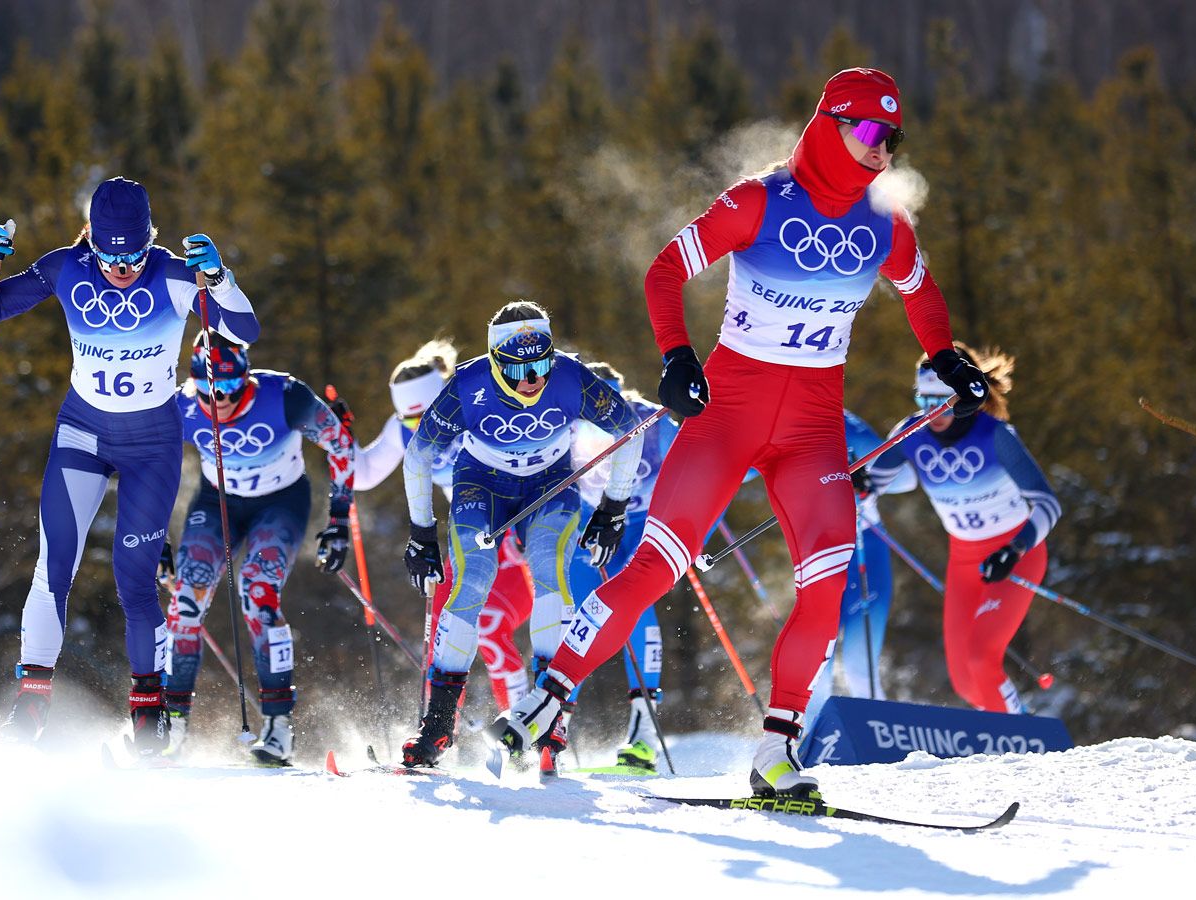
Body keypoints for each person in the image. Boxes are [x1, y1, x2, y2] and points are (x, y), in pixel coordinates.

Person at [493, 68, 990, 799]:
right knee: (655, 567)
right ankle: (555, 689)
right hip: (727, 416)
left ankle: (775, 752)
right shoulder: (761, 200)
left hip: (813, 432)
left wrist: (948, 359)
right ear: (830, 126)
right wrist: (675, 357)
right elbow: (665, 270)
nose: (882, 150)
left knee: (827, 584)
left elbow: (923, 294)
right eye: (868, 132)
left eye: (893, 138)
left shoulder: (885, 221)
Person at [0, 177, 258, 758]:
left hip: (151, 444)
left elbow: (245, 332)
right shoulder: (65, 267)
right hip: (82, 433)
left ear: (149, 241)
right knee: (55, 565)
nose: (121, 270)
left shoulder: (175, 277)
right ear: (90, 242)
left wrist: (220, 280)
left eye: (131, 257)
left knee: (134, 580)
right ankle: (32, 701)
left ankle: (148, 710)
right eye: (108, 256)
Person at [401, 301, 644, 767]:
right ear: (495, 362)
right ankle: (438, 726)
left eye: (541, 363)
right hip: (481, 484)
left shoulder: (570, 377)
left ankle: (551, 716)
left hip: (551, 483)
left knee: (550, 570)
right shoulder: (468, 385)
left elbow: (628, 431)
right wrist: (421, 533)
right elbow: (418, 456)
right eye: (519, 367)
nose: (533, 378)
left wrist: (614, 507)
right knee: (471, 580)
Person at [158, 331, 355, 764]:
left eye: (229, 388)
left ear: (245, 379)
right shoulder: (180, 406)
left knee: (258, 595)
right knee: (185, 601)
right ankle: (169, 725)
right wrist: (153, 537)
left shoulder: (283, 395)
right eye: (207, 388)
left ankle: (278, 726)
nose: (219, 400)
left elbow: (341, 446)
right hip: (216, 503)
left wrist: (338, 519)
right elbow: (149, 469)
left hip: (280, 502)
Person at [866, 343, 1060, 713]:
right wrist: (857, 486)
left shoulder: (995, 435)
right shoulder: (911, 432)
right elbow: (872, 482)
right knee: (965, 682)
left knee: (981, 659)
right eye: (925, 401)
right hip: (964, 562)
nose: (933, 413)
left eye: (943, 401)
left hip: (1015, 555)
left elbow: (1049, 504)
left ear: (962, 396)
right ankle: (1005, 738)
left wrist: (1015, 549)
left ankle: (1020, 750)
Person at [353, 339, 536, 714]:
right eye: (410, 420)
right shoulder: (404, 429)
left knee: (489, 626)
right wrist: (338, 439)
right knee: (443, 633)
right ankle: (438, 730)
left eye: (426, 416)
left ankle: (524, 725)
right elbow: (364, 473)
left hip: (511, 530)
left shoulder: (479, 407)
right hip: (467, 536)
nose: (421, 428)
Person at [566, 361, 680, 773]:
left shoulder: (653, 419)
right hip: (591, 524)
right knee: (578, 613)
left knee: (637, 605)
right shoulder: (569, 423)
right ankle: (554, 721)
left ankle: (644, 734)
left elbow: (703, 465)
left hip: (642, 524)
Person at [801, 410, 907, 737]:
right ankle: (812, 743)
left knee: (860, 665)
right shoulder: (783, 417)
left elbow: (907, 476)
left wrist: (869, 478)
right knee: (818, 663)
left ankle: (882, 738)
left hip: (864, 547)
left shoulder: (847, 422)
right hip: (816, 552)